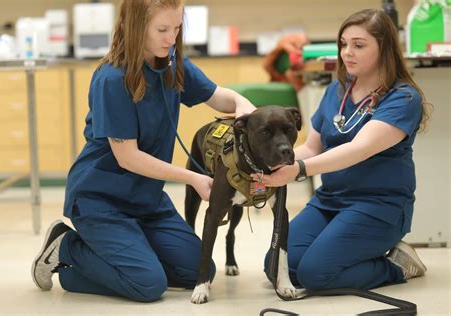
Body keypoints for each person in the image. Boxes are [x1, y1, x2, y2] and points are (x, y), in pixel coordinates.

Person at [31, 0, 256, 302]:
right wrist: (192, 178)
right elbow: (128, 157)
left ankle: (126, 255)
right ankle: (66, 247)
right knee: (147, 284)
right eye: (162, 29)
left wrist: (245, 108)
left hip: (146, 200)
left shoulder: (173, 63)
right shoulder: (112, 78)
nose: (171, 38)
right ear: (136, 27)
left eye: (177, 29)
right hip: (100, 200)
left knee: (199, 272)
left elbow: (219, 98)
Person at [258, 9, 432, 291]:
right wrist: (269, 164)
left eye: (358, 45)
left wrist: (297, 170)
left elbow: (358, 149)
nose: (346, 52)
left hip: (378, 206)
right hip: (330, 200)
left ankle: (396, 266)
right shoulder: (334, 92)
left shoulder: (403, 98)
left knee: (317, 274)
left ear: (384, 48)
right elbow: (311, 147)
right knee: (276, 266)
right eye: (343, 44)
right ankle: (346, 252)